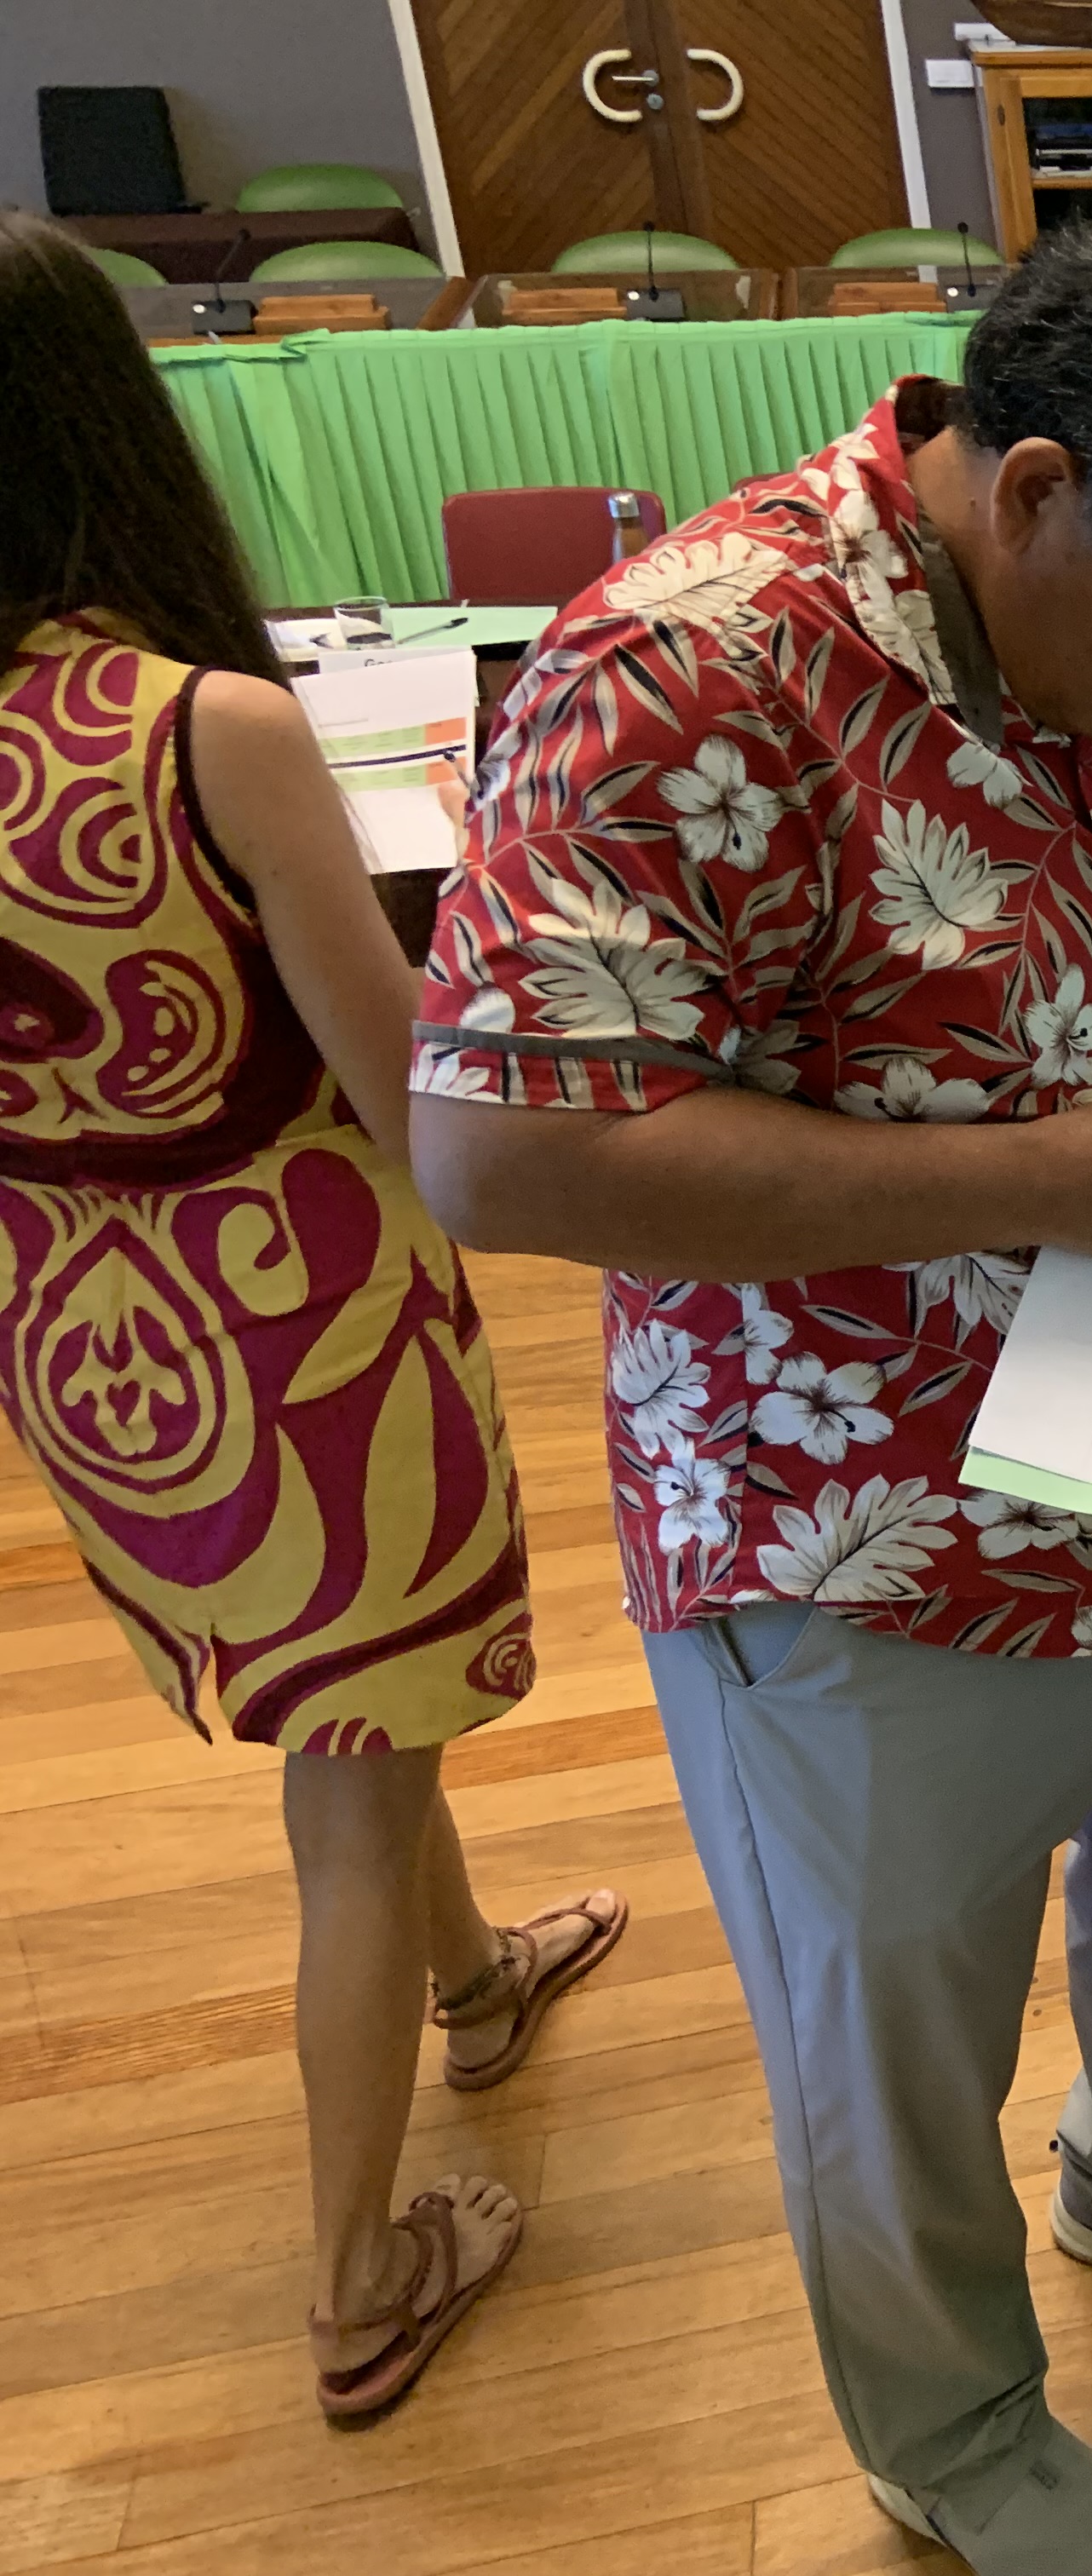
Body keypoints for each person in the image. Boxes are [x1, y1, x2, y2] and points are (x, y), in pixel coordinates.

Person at [405, 210, 1092, 2576]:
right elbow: (500, 1145)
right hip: (865, 1516)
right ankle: (949, 2429)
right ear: (1035, 490)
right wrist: (1041, 1176)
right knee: (898, 2022)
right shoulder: (689, 664)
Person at [0, 212, 624, 2422]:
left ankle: (479, 1986)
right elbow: (407, 1095)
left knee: (352, 1731)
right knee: (350, 1794)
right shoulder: (212, 729)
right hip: (302, 1321)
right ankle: (359, 2280)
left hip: (79, 1332)